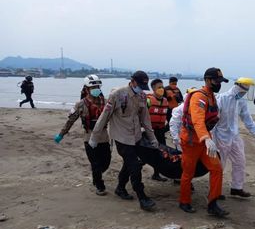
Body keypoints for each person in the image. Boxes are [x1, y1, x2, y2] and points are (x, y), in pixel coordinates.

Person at [90, 70, 159, 211]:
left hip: (136, 136)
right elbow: (104, 116)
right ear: (132, 81)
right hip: (121, 137)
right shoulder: (118, 95)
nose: (141, 88)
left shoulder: (141, 96)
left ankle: (120, 188)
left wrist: (153, 139)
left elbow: (145, 120)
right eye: (139, 85)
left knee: (128, 164)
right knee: (134, 166)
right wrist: (94, 138)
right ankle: (142, 198)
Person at [178, 68, 229, 217]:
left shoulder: (212, 97)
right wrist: (206, 138)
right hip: (191, 141)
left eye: (220, 81)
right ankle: (184, 201)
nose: (219, 84)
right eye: (217, 81)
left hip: (205, 141)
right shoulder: (199, 97)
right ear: (207, 80)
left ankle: (213, 203)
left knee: (217, 168)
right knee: (188, 172)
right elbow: (198, 120)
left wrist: (208, 138)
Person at [54, 75, 111, 196]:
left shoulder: (106, 103)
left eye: (97, 87)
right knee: (95, 163)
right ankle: (100, 186)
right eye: (93, 87)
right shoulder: (80, 105)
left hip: (104, 137)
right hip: (89, 138)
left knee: (106, 162)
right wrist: (61, 134)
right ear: (86, 89)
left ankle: (97, 176)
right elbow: (70, 120)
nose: (96, 89)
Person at [212, 77, 255, 198]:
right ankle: (215, 191)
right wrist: (210, 138)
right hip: (221, 137)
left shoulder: (241, 101)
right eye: (243, 91)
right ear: (237, 87)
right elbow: (213, 120)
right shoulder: (222, 99)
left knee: (240, 161)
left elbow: (246, 117)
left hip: (235, 136)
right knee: (219, 165)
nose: (244, 93)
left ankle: (236, 188)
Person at [146, 78, 169, 182]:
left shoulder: (165, 101)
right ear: (153, 89)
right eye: (159, 87)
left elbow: (169, 116)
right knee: (145, 153)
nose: (162, 89)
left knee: (161, 153)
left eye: (162, 87)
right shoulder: (148, 100)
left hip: (160, 131)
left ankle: (156, 174)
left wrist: (167, 128)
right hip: (148, 132)